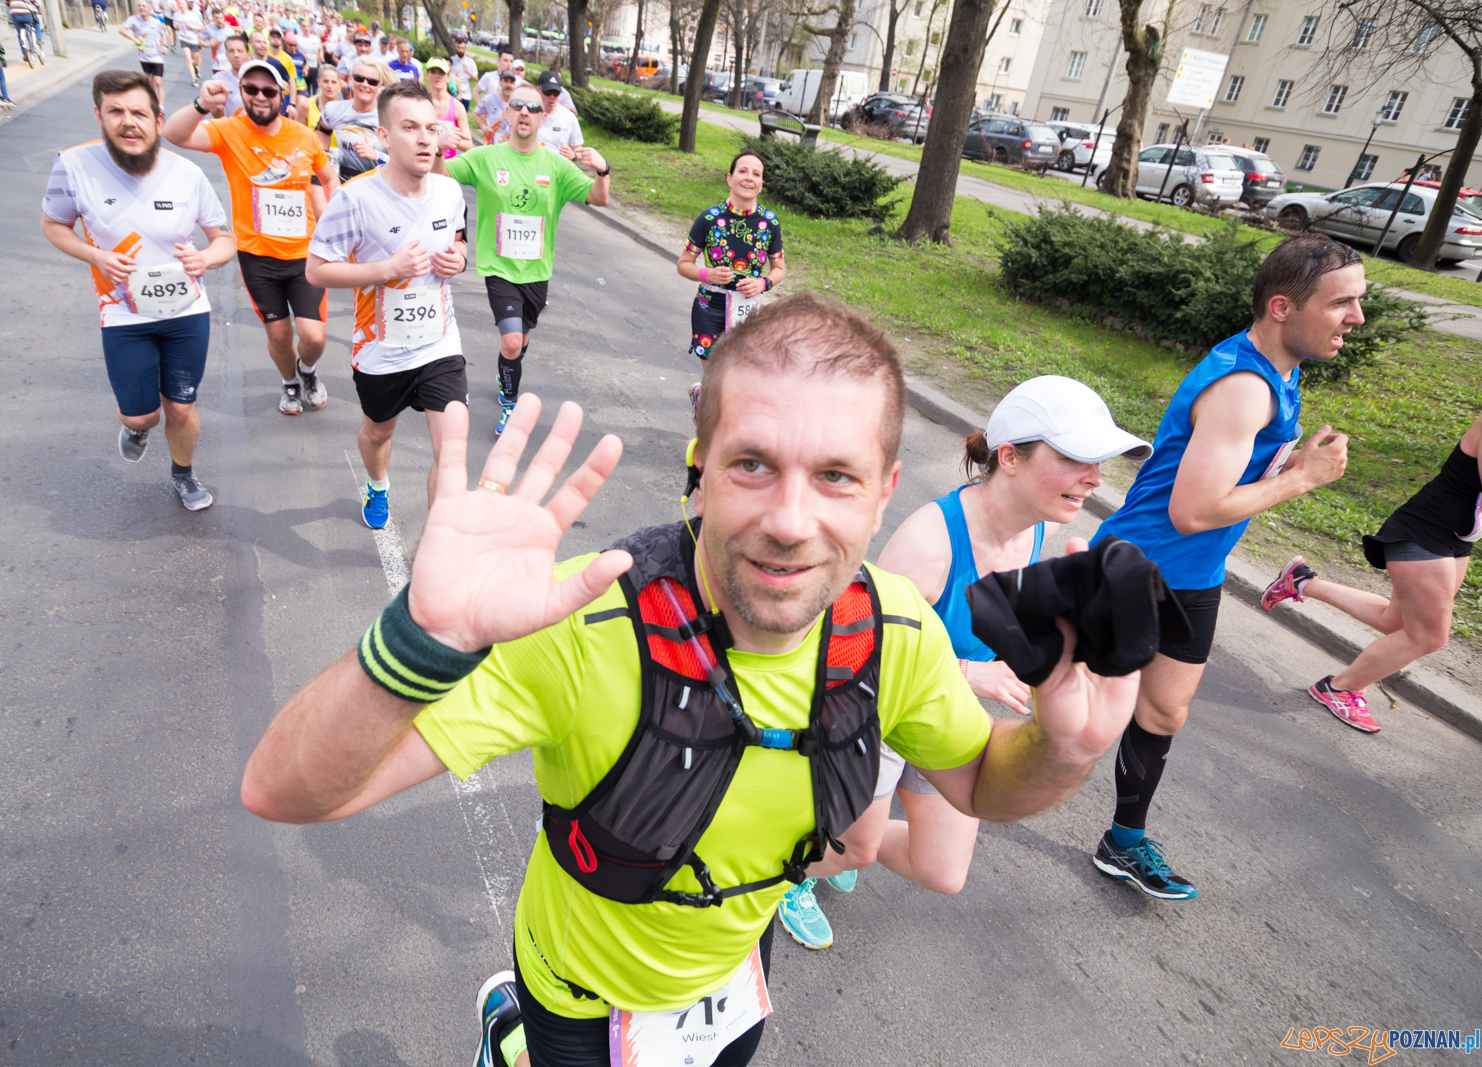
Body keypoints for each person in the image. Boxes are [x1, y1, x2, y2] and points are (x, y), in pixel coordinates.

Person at [239, 292, 1144, 1067]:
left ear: (884, 488)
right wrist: (423, 640)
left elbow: (985, 783)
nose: (791, 521)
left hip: (735, 978)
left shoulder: (895, 628)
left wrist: (1064, 747)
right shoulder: (579, 622)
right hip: (582, 998)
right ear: (700, 470)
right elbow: (284, 791)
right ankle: (511, 1031)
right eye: (753, 464)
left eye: (836, 475)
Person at [772, 376, 1154, 949]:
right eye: (1076, 458)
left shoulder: (1040, 525)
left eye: (1100, 462)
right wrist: (974, 673)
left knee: (942, 871)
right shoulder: (930, 543)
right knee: (858, 847)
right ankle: (798, 866)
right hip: (875, 713)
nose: (1097, 478)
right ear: (1010, 458)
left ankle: (836, 837)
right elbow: (853, 655)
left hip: (942, 710)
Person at [1087, 233, 1357, 901]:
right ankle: (870, 792)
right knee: (1046, 698)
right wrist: (1304, 481)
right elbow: (1193, 509)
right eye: (1342, 303)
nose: (1355, 318)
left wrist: (1284, 465)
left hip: (1194, 576)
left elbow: (1224, 476)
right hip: (1139, 565)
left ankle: (1123, 841)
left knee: (1165, 710)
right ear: (1282, 306)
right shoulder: (1244, 386)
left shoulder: (1282, 369)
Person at [40, 69, 236, 511]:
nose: (128, 122)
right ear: (99, 115)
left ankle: (183, 474)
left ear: (156, 118)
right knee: (142, 413)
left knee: (182, 407)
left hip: (186, 309)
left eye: (138, 113)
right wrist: (96, 256)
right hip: (123, 312)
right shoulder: (73, 165)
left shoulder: (186, 174)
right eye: (116, 112)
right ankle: (137, 425)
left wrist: (204, 258)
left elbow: (225, 239)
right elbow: (54, 225)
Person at [307, 79, 470, 528]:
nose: (424, 139)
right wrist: (387, 269)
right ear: (383, 135)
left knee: (452, 449)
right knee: (379, 430)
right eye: (410, 127)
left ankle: (441, 544)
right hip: (381, 350)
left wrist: (457, 259)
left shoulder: (448, 192)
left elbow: (458, 244)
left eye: (431, 129)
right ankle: (377, 485)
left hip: (439, 343)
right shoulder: (355, 199)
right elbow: (316, 271)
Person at [1261, 412, 1482, 733]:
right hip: (1428, 531)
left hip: (1457, 538)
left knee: (1398, 621)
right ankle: (1339, 688)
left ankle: (1302, 581)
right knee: (1428, 636)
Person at [165, 59, 340, 416]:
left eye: (268, 90)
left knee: (314, 336)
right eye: (251, 89)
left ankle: (307, 372)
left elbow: (328, 177)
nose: (260, 97)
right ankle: (290, 382)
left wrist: (331, 220)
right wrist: (201, 105)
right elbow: (174, 134)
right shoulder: (228, 130)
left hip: (305, 254)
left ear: (282, 94)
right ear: (242, 92)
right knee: (278, 336)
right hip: (257, 256)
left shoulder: (303, 136)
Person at [437, 84, 606, 435]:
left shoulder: (555, 166)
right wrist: (439, 150)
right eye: (518, 106)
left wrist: (603, 172)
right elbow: (442, 177)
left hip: (537, 270)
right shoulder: (486, 157)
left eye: (533, 107)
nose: (525, 112)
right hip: (499, 267)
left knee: (522, 338)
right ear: (507, 113)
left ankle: (506, 373)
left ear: (543, 117)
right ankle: (509, 406)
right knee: (512, 340)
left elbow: (597, 197)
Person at [676, 149, 784, 367]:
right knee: (714, 380)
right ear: (730, 178)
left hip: (747, 311)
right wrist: (707, 274)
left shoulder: (770, 223)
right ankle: (703, 397)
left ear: (761, 183)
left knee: (740, 378)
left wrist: (763, 283)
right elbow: (683, 264)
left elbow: (779, 268)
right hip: (709, 308)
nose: (748, 178)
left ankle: (702, 397)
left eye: (756, 174)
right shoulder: (708, 219)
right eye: (742, 171)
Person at [316, 57, 385, 180]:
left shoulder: (388, 117)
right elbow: (323, 130)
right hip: (344, 185)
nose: (365, 84)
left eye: (372, 82)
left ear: (379, 86)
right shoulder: (334, 109)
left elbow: (404, 164)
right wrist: (323, 153)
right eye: (359, 78)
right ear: (350, 80)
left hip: (378, 187)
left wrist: (377, 155)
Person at [122, 0, 172, 105]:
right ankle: (153, 104)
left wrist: (164, 45)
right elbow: (121, 29)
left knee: (158, 81)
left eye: (144, 6)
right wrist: (133, 39)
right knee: (150, 83)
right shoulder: (133, 20)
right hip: (144, 56)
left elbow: (163, 34)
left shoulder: (156, 22)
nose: (141, 8)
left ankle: (161, 106)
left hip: (156, 56)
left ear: (149, 8)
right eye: (139, 6)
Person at [422, 58, 472, 158]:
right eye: (433, 72)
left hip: (447, 165)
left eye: (441, 72)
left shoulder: (457, 107)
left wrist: (450, 140)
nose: (437, 76)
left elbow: (468, 144)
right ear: (427, 75)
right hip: (424, 160)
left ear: (448, 77)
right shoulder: (420, 103)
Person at [533, 70, 582, 155]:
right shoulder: (528, 112)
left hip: (557, 167)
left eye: (556, 93)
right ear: (538, 90)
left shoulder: (569, 117)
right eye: (547, 92)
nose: (552, 97)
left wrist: (573, 155)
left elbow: (579, 151)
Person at [472, 67, 516, 146]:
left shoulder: (517, 104)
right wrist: (482, 127)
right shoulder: (488, 99)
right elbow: (475, 113)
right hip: (490, 144)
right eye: (505, 81)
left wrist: (511, 122)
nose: (508, 85)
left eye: (511, 82)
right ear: (500, 82)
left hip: (508, 146)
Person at [171, 0, 204, 86]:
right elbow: (174, 24)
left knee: (195, 60)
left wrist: (192, 26)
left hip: (193, 39)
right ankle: (194, 79)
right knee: (188, 59)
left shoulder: (192, 15)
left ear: (186, 5)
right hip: (183, 39)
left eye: (183, 4)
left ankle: (196, 67)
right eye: (180, 4)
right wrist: (176, 26)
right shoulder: (176, 15)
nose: (181, 5)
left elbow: (201, 27)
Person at [303, 62, 342, 130]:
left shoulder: (344, 110)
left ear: (339, 85)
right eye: (326, 81)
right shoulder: (306, 105)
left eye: (333, 82)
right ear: (318, 83)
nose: (330, 86)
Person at [449, 36, 478, 110]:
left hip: (466, 95)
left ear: (465, 48)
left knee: (464, 116)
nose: (460, 50)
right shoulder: (451, 60)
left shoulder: (470, 62)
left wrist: (468, 71)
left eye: (462, 48)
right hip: (453, 94)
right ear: (455, 47)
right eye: (458, 47)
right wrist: (453, 77)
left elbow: (476, 78)